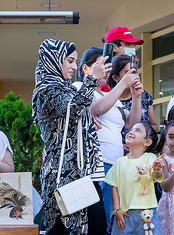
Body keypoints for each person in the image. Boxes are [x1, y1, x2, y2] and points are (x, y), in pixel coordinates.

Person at [32, 39, 110, 234]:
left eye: (75, 61)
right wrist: (91, 79)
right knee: (71, 228)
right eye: (69, 61)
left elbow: (73, 113)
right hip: (64, 174)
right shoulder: (46, 89)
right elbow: (71, 109)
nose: (74, 67)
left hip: (78, 172)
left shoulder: (64, 88)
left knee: (91, 226)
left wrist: (87, 123)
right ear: (53, 59)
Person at [78, 47, 143, 233]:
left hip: (117, 165)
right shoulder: (80, 89)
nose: (106, 70)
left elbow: (131, 123)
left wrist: (136, 96)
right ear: (86, 68)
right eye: (102, 65)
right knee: (102, 220)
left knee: (116, 219)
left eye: (108, 66)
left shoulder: (109, 96)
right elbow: (95, 110)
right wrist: (122, 85)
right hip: (99, 164)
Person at [104, 122, 164, 235]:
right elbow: (114, 187)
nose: (131, 132)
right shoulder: (119, 162)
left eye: (138, 130)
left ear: (147, 142)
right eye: (131, 129)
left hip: (147, 213)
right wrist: (116, 210)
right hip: (124, 214)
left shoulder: (150, 158)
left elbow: (158, 177)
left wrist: (157, 169)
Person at [107, 54, 158, 132]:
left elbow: (154, 124)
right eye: (128, 72)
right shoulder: (110, 100)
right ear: (115, 78)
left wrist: (148, 140)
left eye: (135, 72)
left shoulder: (143, 94)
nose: (133, 76)